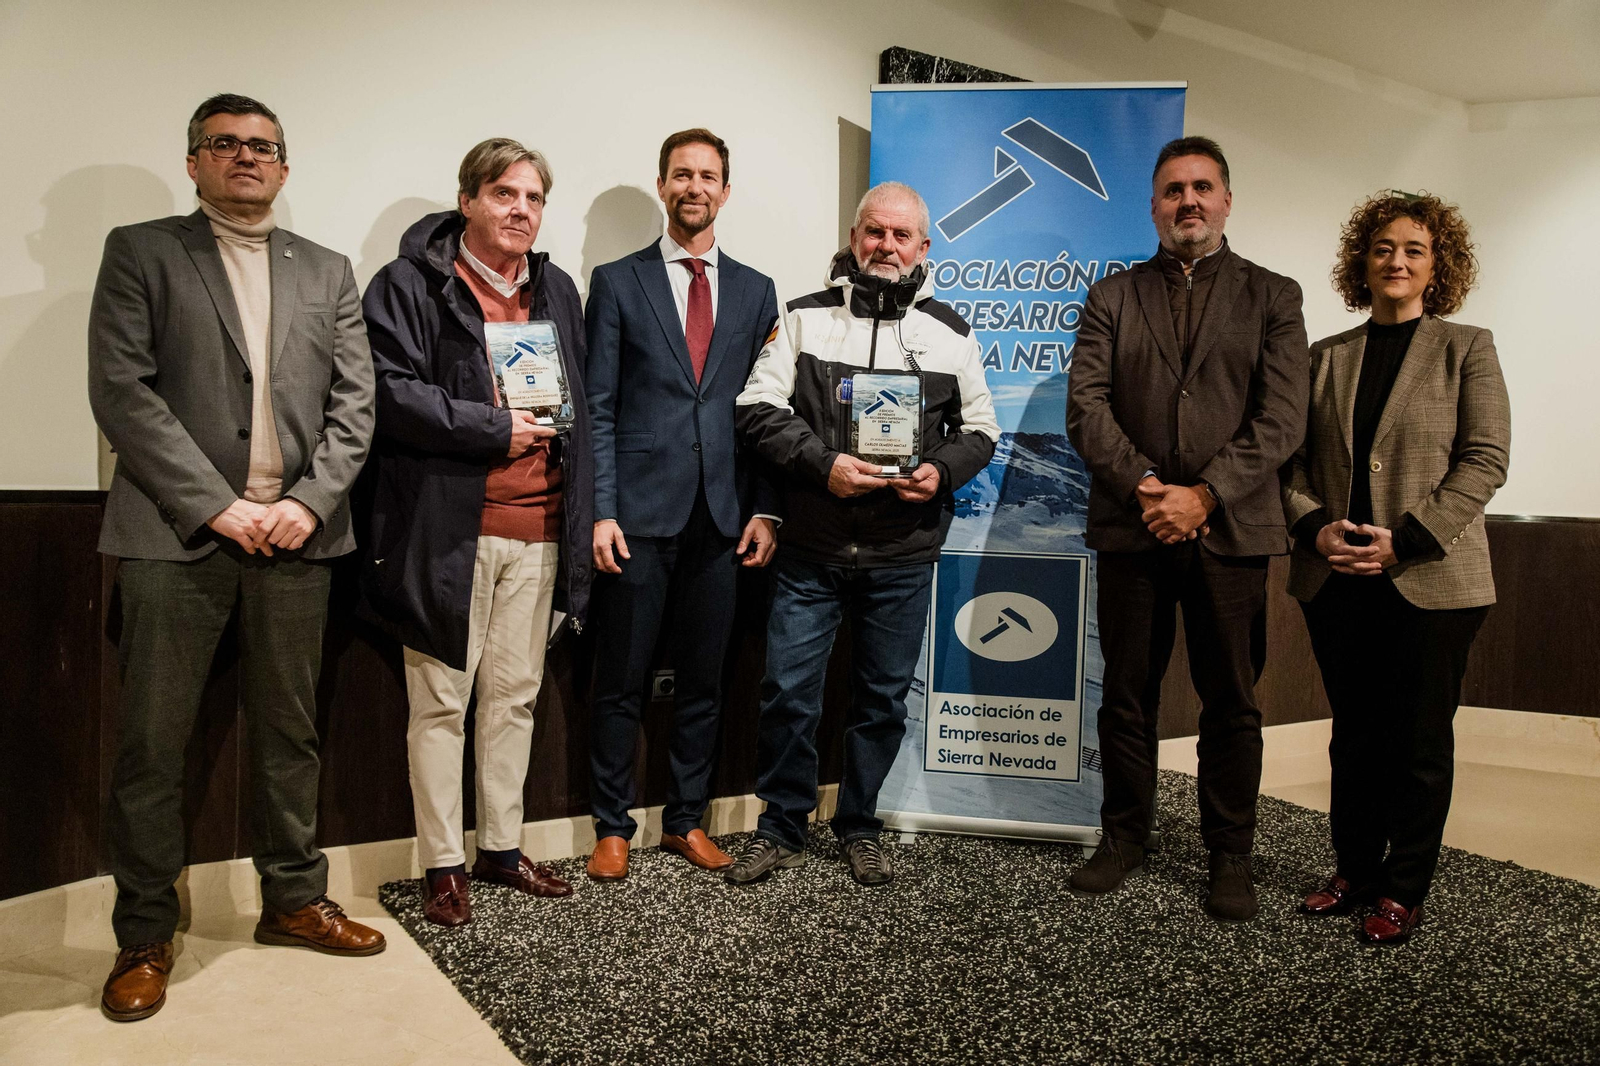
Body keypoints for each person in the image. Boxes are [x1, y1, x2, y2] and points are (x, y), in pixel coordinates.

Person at [88, 93, 382, 1022]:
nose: (245, 158)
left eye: (262, 147)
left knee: (291, 735)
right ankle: (144, 932)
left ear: (285, 168)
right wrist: (216, 505)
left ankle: (293, 901)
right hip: (174, 536)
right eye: (225, 145)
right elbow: (122, 390)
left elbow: (355, 404)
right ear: (195, 163)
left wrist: (307, 502)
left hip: (299, 537)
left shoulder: (328, 269)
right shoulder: (141, 250)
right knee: (151, 744)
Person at [1065, 136, 1308, 921]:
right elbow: (1086, 409)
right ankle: (1124, 838)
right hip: (1134, 530)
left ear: (1228, 200)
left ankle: (1229, 853)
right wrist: (1147, 489)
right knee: (1127, 699)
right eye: (1174, 190)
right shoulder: (1113, 295)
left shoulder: (1275, 296)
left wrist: (1203, 496)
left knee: (1230, 701)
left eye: (1203, 187)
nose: (1189, 201)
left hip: (1231, 534)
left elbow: (1283, 419)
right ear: (1155, 206)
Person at [730, 181, 999, 887]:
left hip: (901, 553)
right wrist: (823, 467)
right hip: (812, 551)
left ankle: (858, 824)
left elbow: (982, 431)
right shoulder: (803, 318)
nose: (885, 246)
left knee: (879, 701)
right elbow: (755, 407)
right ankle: (781, 824)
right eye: (874, 232)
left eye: (900, 235)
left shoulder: (952, 333)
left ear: (923, 248)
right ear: (855, 238)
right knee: (788, 693)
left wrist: (939, 473)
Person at [360, 138, 592, 927]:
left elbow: (581, 411)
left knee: (514, 699)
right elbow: (388, 395)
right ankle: (442, 863)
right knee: (440, 705)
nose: (521, 209)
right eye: (504, 194)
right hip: (445, 531)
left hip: (541, 527)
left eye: (533, 198)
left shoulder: (557, 288)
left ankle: (499, 846)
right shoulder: (409, 284)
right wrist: (493, 428)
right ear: (468, 201)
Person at [1284, 192, 1509, 944]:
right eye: (1383, 247)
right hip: (1336, 580)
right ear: (1362, 261)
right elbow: (1288, 468)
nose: (1397, 260)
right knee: (1353, 735)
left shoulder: (1465, 347)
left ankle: (1403, 887)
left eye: (1414, 249)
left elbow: (1486, 460)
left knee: (1417, 742)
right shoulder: (1327, 357)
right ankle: (1354, 870)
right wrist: (1315, 530)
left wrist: (1405, 539)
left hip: (1430, 580)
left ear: (1436, 265)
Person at [583, 129, 780, 880]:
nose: (694, 187)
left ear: (725, 191)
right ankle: (611, 826)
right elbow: (598, 404)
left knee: (705, 680)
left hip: (725, 518)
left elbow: (766, 411)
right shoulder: (617, 281)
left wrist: (766, 510)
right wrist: (601, 507)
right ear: (662, 186)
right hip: (636, 514)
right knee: (621, 679)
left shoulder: (759, 290)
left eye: (708, 176)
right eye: (681, 174)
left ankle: (685, 821)